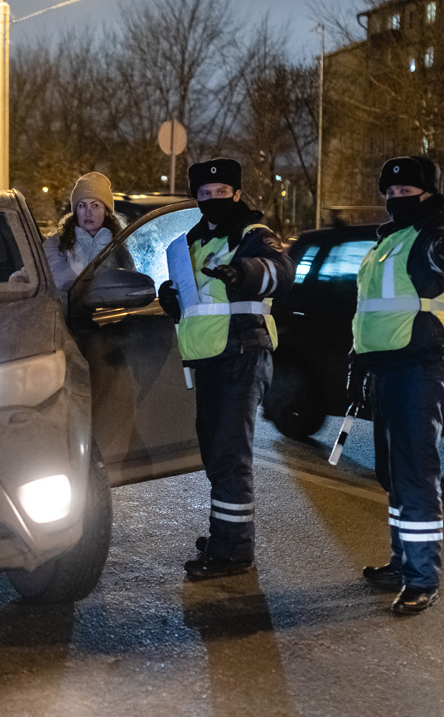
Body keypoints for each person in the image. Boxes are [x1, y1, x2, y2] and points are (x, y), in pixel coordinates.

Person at [347, 155, 444, 614]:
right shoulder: (391, 240)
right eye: (392, 192)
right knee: (393, 474)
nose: (397, 199)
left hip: (418, 366)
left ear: (428, 192)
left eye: (407, 192)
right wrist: (358, 366)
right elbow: (371, 310)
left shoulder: (434, 235)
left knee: (415, 473)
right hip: (385, 367)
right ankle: (403, 564)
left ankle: (422, 579)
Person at [158, 157, 294, 579]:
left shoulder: (253, 236)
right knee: (216, 452)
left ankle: (233, 552)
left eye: (220, 193)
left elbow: (281, 272)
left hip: (244, 352)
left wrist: (244, 271)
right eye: (204, 195)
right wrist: (172, 296)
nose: (212, 200)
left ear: (237, 193)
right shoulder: (193, 244)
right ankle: (224, 534)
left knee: (230, 455)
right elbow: (198, 301)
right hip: (210, 358)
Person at [42, 172, 132, 289]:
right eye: (82, 206)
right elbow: (30, 276)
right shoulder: (55, 245)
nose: (88, 213)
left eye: (95, 206)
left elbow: (131, 288)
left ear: (106, 211)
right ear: (75, 211)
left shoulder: (119, 249)